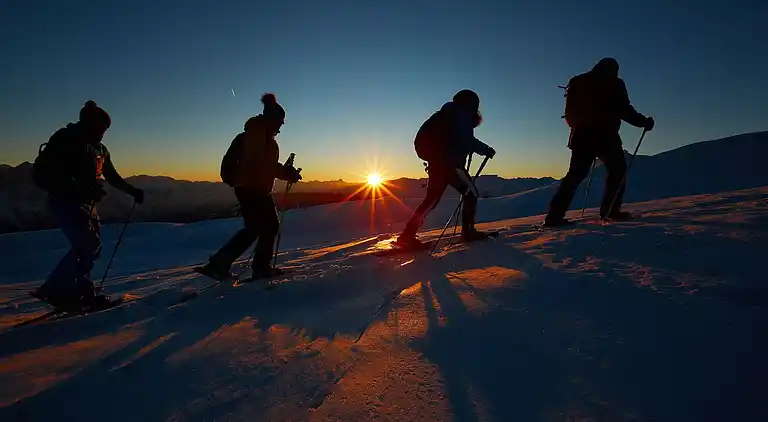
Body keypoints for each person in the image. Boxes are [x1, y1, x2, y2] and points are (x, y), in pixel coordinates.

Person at [31, 100, 145, 310]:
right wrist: (82, 189)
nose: (103, 133)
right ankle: (55, 289)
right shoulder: (66, 139)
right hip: (65, 200)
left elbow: (110, 175)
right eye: (100, 128)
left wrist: (132, 191)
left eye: (105, 129)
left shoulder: (99, 148)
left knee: (91, 248)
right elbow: (52, 173)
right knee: (88, 245)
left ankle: (81, 292)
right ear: (88, 123)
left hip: (87, 203)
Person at [196, 93, 302, 281]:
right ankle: (224, 265)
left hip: (255, 186)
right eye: (280, 122)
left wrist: (286, 173)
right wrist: (287, 173)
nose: (281, 126)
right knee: (258, 226)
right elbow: (259, 162)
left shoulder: (264, 137)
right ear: (272, 119)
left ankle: (242, 266)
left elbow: (265, 164)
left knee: (265, 226)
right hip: (250, 186)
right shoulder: (256, 133)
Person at [543, 57, 655, 227]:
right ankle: (610, 211)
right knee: (617, 171)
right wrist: (643, 122)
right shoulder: (616, 85)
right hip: (606, 138)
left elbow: (571, 115)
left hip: (583, 138)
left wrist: (582, 127)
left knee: (575, 176)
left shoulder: (579, 82)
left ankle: (554, 216)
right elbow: (625, 110)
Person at [395, 89, 497, 247]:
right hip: (450, 164)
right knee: (470, 193)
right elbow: (467, 140)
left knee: (431, 200)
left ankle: (407, 235)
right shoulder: (460, 115)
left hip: (437, 163)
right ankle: (468, 232)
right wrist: (486, 150)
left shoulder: (446, 113)